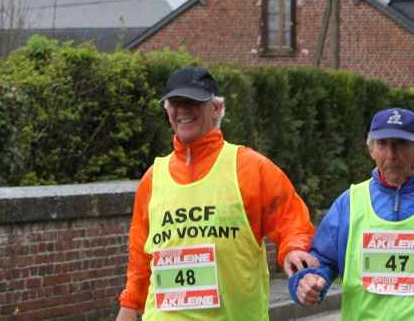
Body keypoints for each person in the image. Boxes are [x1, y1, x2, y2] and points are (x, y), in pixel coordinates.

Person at [117, 67, 318, 320]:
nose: (183, 110)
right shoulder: (153, 178)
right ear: (168, 112)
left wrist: (293, 249)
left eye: (193, 102)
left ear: (216, 109)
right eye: (175, 103)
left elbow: (292, 220)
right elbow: (141, 254)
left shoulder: (251, 168)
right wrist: (129, 304)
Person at [288, 107, 414, 320]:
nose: (391, 155)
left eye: (401, 144)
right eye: (383, 144)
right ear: (371, 149)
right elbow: (320, 259)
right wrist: (307, 281)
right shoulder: (349, 204)